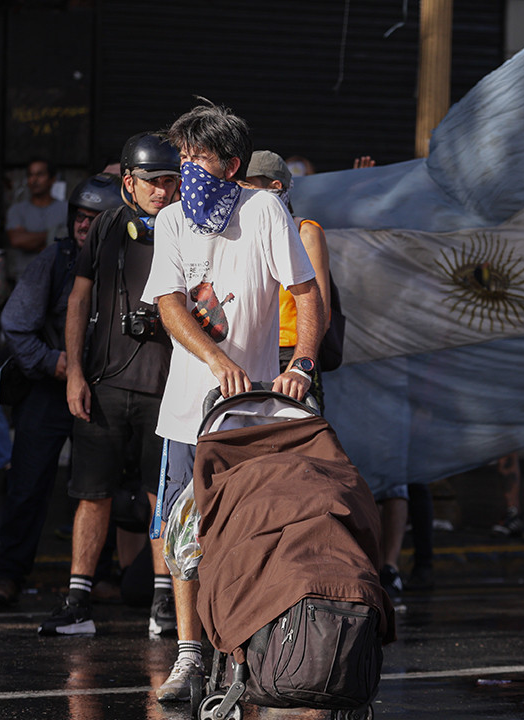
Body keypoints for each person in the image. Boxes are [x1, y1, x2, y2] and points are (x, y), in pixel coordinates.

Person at [142, 102, 322, 702]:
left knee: (248, 533)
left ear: (233, 165)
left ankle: (244, 648)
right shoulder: (171, 220)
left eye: (201, 158)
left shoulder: (264, 210)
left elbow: (306, 292)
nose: (189, 169)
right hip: (186, 411)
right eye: (184, 157)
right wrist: (217, 360)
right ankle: (188, 656)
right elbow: (169, 304)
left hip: (252, 415)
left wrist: (301, 364)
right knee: (182, 532)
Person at [38, 134, 179, 637]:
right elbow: (78, 301)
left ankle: (164, 605)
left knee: (162, 497)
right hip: (104, 384)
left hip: (166, 388)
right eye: (151, 181)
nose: (162, 191)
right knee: (91, 493)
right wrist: (75, 372)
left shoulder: (189, 230)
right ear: (128, 183)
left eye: (170, 181)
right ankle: (78, 602)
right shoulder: (105, 227)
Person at [0, 173, 124, 605]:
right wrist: (53, 362)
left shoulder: (129, 261)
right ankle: (8, 573)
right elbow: (15, 323)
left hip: (104, 392)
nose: (83, 226)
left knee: (100, 488)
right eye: (79, 217)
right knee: (27, 484)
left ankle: (99, 575)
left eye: (93, 219)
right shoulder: (55, 258)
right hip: (48, 391)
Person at [236, 150, 331, 406]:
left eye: (248, 184)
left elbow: (321, 310)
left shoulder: (304, 232)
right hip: (248, 351)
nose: (241, 192)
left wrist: (297, 368)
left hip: (289, 351)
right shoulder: (241, 230)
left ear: (276, 187)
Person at [5, 158, 67, 284]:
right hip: (25, 278)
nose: (34, 180)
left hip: (58, 278)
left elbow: (69, 244)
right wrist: (55, 235)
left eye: (40, 174)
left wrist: (31, 239)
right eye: (30, 175)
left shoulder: (65, 209)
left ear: (52, 179)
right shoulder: (17, 210)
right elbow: (17, 240)